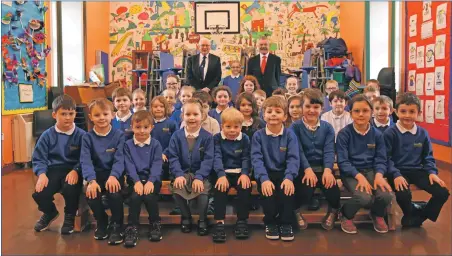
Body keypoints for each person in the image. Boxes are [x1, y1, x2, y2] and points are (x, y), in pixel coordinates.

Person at [384, 93, 450, 228]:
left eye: (412, 112)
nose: (407, 115)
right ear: (396, 112)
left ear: (419, 113)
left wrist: (432, 172)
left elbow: (428, 157)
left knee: (442, 192)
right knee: (403, 194)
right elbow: (386, 158)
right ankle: (411, 213)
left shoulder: (422, 133)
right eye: (403, 111)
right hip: (397, 171)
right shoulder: (390, 133)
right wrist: (396, 175)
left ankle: (419, 214)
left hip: (417, 170)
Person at [336, 95, 393, 234]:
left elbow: (381, 159)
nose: (361, 114)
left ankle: (377, 214)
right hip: (351, 172)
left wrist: (379, 175)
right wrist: (359, 177)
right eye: (356, 111)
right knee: (363, 197)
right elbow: (343, 162)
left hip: (372, 171)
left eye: (365, 110)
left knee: (386, 195)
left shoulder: (377, 134)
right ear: (350, 114)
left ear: (371, 112)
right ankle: (345, 214)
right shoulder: (344, 134)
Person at [32, 95, 86, 234]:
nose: (67, 117)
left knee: (71, 188)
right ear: (54, 114)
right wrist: (42, 174)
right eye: (63, 114)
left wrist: (76, 170)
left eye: (71, 113)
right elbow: (39, 158)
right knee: (39, 193)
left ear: (75, 114)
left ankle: (69, 217)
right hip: (53, 170)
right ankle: (49, 212)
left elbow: (85, 157)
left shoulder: (81, 135)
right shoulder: (46, 135)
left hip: (73, 170)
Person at [290, 88, 340, 231]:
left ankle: (333, 211)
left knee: (333, 190)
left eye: (316, 107)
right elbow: (298, 150)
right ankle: (296, 211)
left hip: (323, 167)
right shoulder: (295, 127)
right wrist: (307, 169)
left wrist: (328, 170)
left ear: (322, 108)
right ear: (302, 107)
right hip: (303, 167)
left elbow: (329, 151)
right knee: (305, 190)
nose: (311, 110)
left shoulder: (327, 128)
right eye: (308, 106)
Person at [251, 96, 300, 241]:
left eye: (277, 112)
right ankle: (270, 222)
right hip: (265, 173)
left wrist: (289, 177)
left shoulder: (290, 135)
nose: (273, 114)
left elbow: (293, 158)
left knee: (287, 193)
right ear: (263, 115)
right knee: (268, 196)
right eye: (269, 111)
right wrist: (264, 179)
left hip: (284, 173)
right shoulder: (258, 136)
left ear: (285, 116)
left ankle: (286, 223)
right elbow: (257, 159)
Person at [81, 98, 125, 244]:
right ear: (91, 117)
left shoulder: (119, 135)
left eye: (105, 114)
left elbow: (120, 159)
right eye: (97, 115)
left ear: (112, 115)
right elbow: (85, 161)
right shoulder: (87, 138)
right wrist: (91, 181)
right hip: (95, 175)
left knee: (114, 194)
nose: (102, 118)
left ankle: (117, 224)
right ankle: (102, 221)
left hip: (113, 174)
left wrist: (114, 176)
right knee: (91, 194)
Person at [167, 99, 214, 236]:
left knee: (202, 191)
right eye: (188, 114)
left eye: (195, 114)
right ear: (182, 116)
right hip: (182, 173)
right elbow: (173, 157)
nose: (192, 118)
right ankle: (186, 217)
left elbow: (208, 159)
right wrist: (179, 174)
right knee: (177, 189)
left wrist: (199, 177)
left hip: (201, 174)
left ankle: (202, 219)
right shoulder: (176, 136)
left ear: (202, 116)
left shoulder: (207, 137)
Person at [123, 111, 163, 247]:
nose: (142, 131)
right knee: (135, 197)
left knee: (150, 197)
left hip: (152, 179)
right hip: (135, 180)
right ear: (132, 127)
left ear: (151, 127)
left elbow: (157, 164)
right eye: (138, 127)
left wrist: (151, 181)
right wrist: (137, 181)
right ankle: (132, 227)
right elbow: (129, 165)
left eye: (146, 127)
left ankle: (155, 224)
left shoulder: (156, 144)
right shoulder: (128, 145)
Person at [212, 108, 252, 243]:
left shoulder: (245, 138)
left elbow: (246, 157)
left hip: (240, 172)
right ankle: (219, 222)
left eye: (236, 127)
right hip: (223, 172)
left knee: (245, 188)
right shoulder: (217, 138)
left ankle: (242, 221)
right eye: (228, 126)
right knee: (220, 189)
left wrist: (245, 173)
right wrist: (221, 175)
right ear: (222, 125)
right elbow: (216, 157)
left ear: (241, 126)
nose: (232, 130)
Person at [150, 96, 178, 180]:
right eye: (155, 106)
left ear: (166, 108)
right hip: (150, 155)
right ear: (151, 108)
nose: (158, 109)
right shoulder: (148, 123)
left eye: (161, 106)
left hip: (166, 156)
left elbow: (174, 142)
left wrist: (165, 153)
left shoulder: (171, 123)